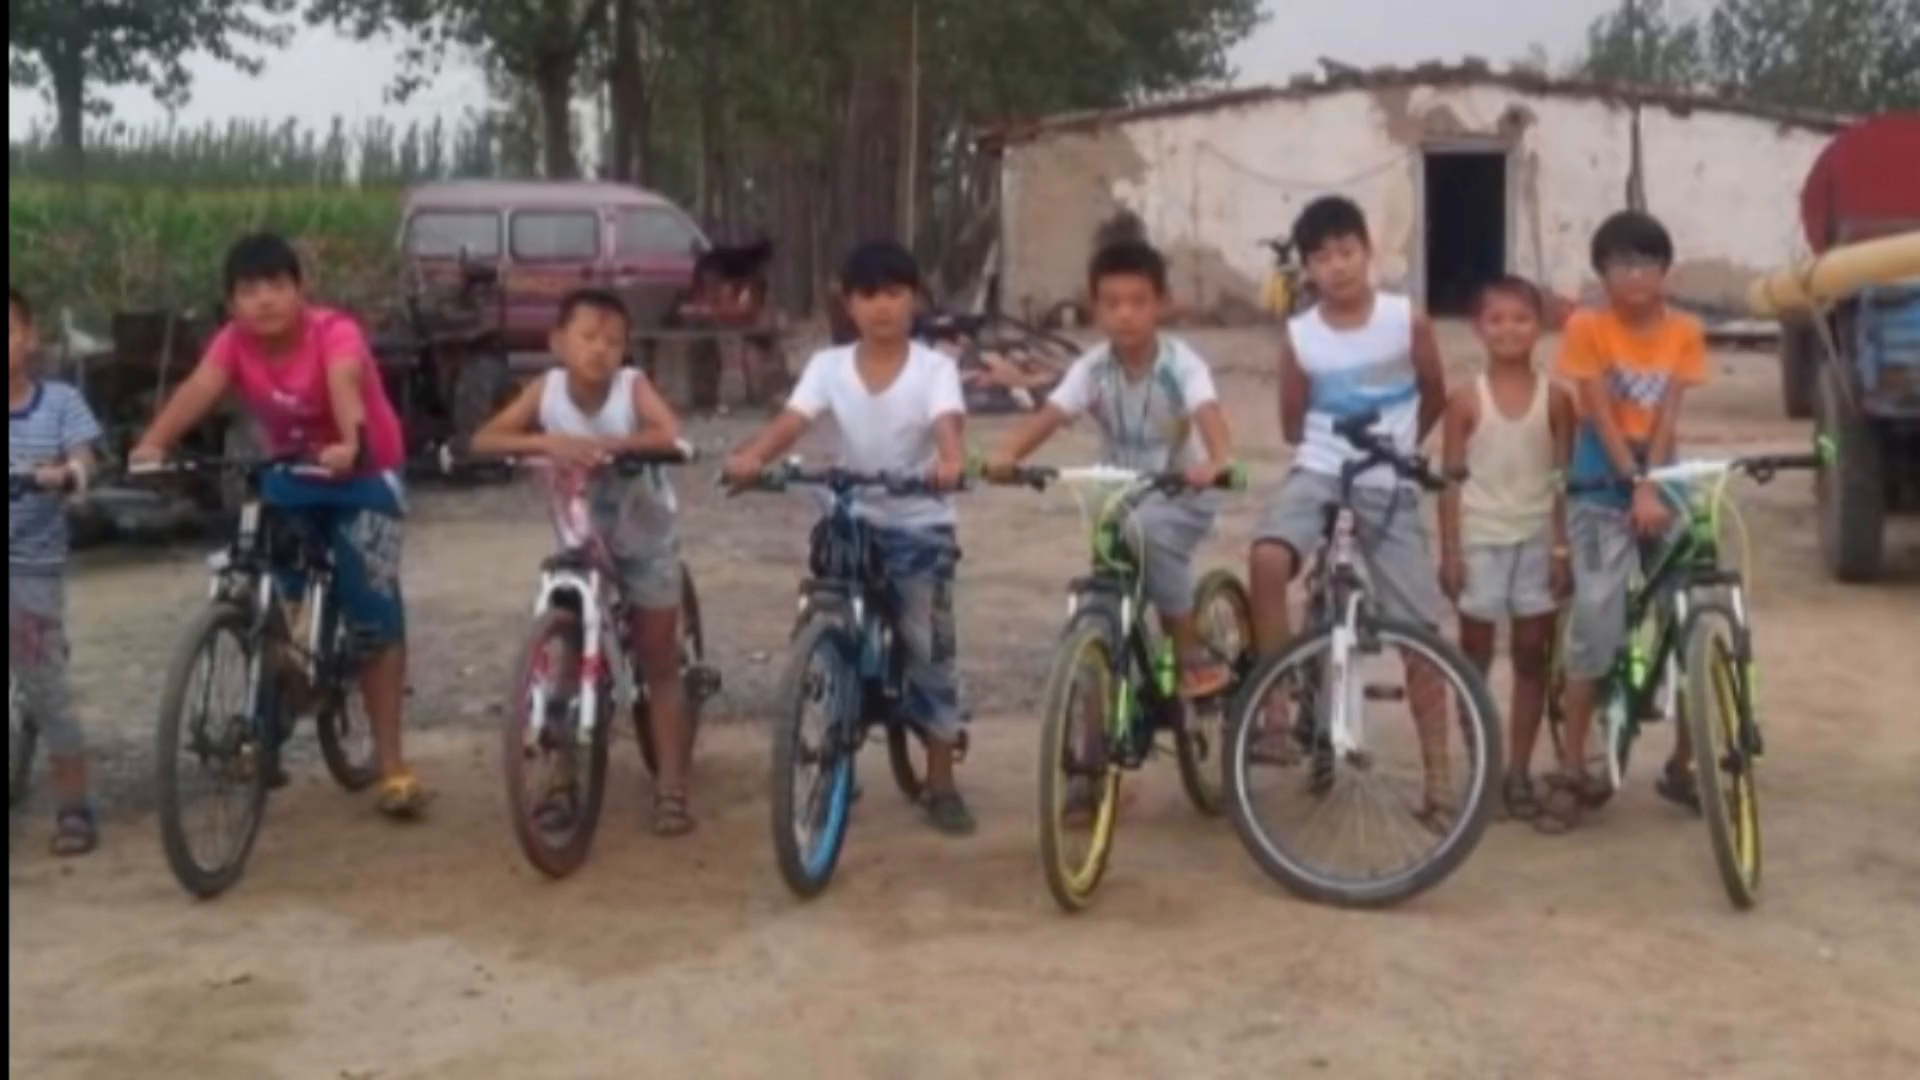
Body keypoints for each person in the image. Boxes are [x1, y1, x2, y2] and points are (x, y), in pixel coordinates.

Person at [131, 234, 428, 820]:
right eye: (248, 290)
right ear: (231, 303)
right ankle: (267, 727)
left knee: (372, 614)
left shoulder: (333, 332)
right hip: (292, 473)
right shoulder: (234, 342)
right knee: (277, 604)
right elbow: (200, 387)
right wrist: (153, 443)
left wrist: (351, 443)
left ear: (300, 290)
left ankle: (393, 766)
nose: (264, 300)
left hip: (365, 471)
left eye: (276, 285)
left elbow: (345, 383)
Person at [723, 240, 975, 836]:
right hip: (851, 514)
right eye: (868, 294)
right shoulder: (828, 367)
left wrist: (950, 462)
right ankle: (829, 736)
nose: (882, 306)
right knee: (818, 618)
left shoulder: (934, 370)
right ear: (848, 303)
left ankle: (941, 780)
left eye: (894, 293)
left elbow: (948, 427)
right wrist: (753, 458)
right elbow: (793, 422)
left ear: (915, 299)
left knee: (929, 649)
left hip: (918, 523)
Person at [1245, 196, 1453, 816]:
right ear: (1307, 270)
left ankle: (1439, 777)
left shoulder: (1405, 321)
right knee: (1266, 559)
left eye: (1346, 251)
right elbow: (1292, 425)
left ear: (1368, 252)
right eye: (1321, 258)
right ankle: (1277, 702)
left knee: (1419, 632)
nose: (1336, 266)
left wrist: (1403, 450)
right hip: (1320, 469)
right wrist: (1325, 443)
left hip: (1388, 479)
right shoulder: (1300, 337)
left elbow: (1435, 393)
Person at [471, 289, 699, 836]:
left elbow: (668, 432)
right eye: (588, 337)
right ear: (558, 342)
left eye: (614, 341)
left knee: (659, 661)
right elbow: (485, 438)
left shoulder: (631, 387)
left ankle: (671, 785)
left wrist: (621, 443)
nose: (600, 349)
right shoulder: (546, 391)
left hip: (643, 538)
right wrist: (549, 442)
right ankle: (560, 778)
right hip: (579, 542)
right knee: (564, 662)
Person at [988, 239, 1238, 698]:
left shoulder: (1182, 366)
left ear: (1162, 304)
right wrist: (1007, 455)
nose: (1125, 314)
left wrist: (1219, 461)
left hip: (1184, 488)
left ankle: (1188, 651)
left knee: (1149, 532)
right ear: (1095, 308)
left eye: (1138, 302)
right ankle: (1104, 659)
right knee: (1107, 569)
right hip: (1119, 488)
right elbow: (1050, 416)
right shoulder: (1093, 369)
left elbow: (1208, 414)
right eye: (1112, 303)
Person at [1545, 209, 1709, 834]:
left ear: (1665, 271)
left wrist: (1656, 485)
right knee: (1597, 615)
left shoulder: (1685, 331)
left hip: (1663, 478)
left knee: (1693, 609)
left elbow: (1668, 417)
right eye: (1619, 264)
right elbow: (1598, 413)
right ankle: (1571, 767)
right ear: (1601, 274)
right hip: (1599, 481)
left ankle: (1687, 762)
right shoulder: (1587, 327)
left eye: (1646, 263)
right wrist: (1634, 484)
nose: (1634, 275)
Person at [1438, 276, 1576, 823]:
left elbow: (1563, 479)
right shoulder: (1464, 401)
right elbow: (1450, 482)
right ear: (1478, 328)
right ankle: (1483, 770)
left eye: (1521, 319)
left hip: (1536, 539)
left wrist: (1561, 547)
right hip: (1481, 540)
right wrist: (1451, 551)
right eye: (1496, 320)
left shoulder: (1557, 401)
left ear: (1539, 327)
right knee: (1474, 657)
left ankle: (1518, 771)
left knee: (1531, 655)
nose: (1509, 330)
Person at [9, 286, 105, 855]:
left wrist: (68, 474)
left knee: (47, 688)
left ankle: (74, 807)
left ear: (28, 337)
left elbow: (84, 460)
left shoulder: (61, 402)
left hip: (32, 567)